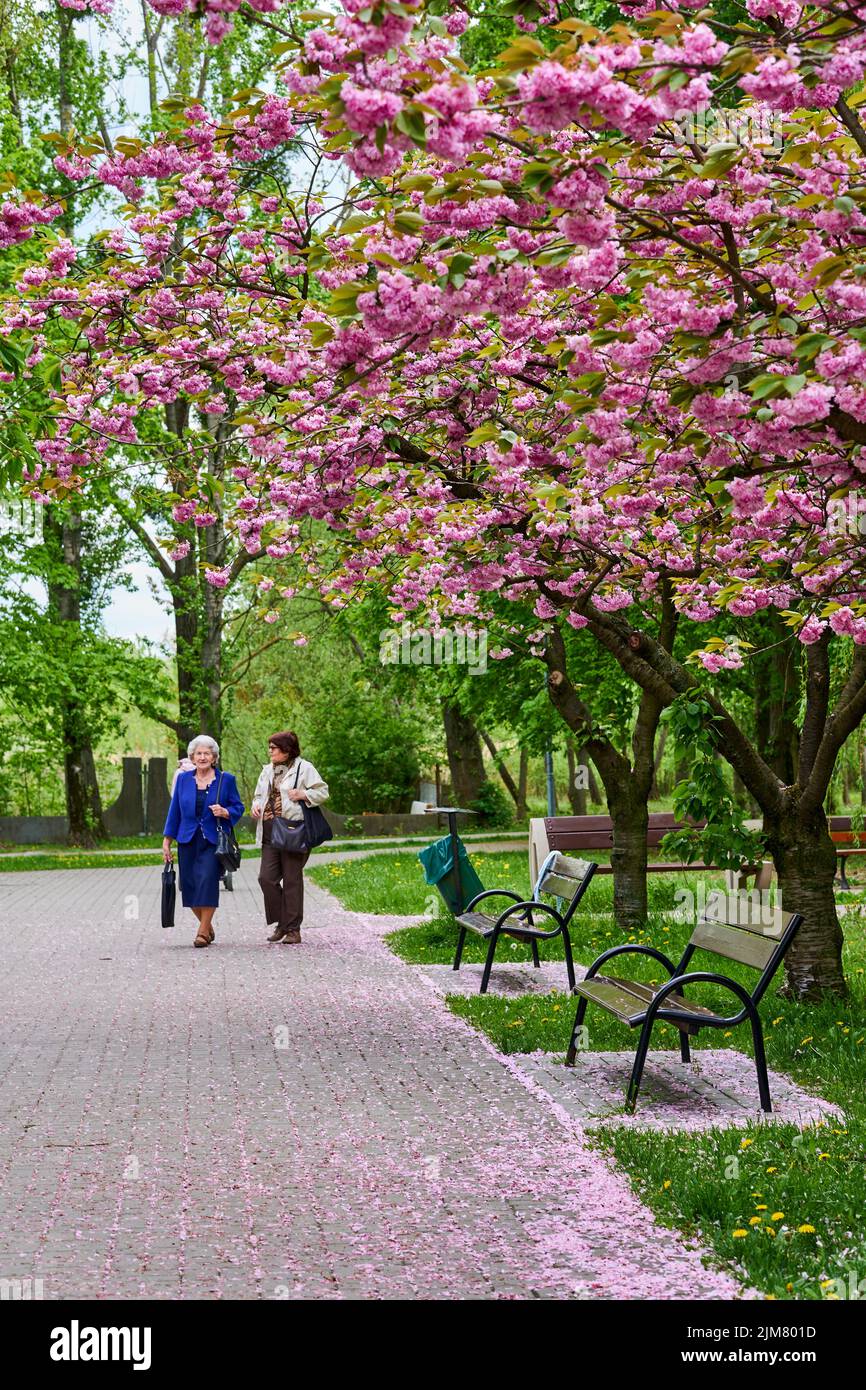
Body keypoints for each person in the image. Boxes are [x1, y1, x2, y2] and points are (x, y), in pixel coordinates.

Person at [162, 735, 245, 948]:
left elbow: (238, 807)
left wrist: (226, 812)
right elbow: (175, 811)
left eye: (207, 753)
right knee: (189, 885)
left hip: (213, 839)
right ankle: (207, 926)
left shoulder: (226, 780)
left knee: (207, 880)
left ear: (214, 757)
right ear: (192, 757)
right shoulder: (183, 779)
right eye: (198, 753)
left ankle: (201, 933)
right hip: (187, 838)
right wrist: (167, 840)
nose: (202, 757)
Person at [251, 731, 328, 944]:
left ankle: (292, 929)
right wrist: (255, 806)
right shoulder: (267, 771)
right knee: (266, 878)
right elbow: (258, 795)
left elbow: (323, 792)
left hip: (294, 831)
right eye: (269, 747)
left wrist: (304, 794)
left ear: (286, 750)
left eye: (273, 748)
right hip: (269, 830)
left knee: (292, 880)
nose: (269, 751)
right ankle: (283, 922)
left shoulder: (305, 768)